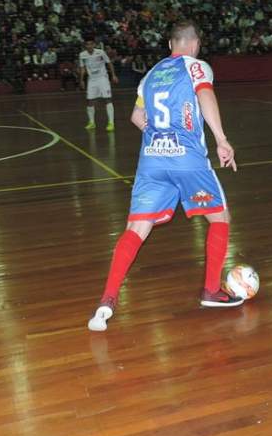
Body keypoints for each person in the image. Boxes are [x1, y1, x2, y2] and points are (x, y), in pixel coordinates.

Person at [87, 21, 243, 332]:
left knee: (136, 228)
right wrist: (222, 139)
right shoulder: (197, 67)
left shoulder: (151, 74)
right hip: (187, 159)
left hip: (152, 161)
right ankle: (211, 290)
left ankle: (106, 302)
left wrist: (160, 135)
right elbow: (205, 96)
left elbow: (135, 117)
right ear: (194, 44)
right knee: (220, 218)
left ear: (170, 43)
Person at [79, 38, 118, 131]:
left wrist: (113, 75)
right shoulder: (82, 55)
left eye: (91, 44)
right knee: (90, 101)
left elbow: (109, 63)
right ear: (85, 46)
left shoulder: (101, 52)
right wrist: (81, 80)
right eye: (87, 44)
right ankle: (92, 122)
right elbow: (82, 68)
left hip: (103, 78)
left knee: (107, 99)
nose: (89, 46)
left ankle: (111, 123)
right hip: (91, 80)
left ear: (94, 45)